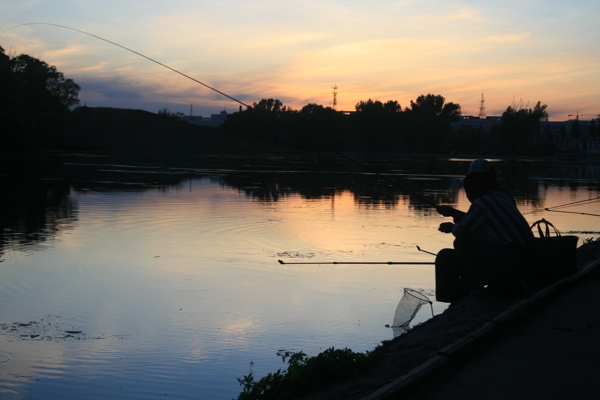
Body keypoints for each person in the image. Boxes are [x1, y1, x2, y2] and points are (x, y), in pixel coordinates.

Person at [435, 172, 534, 303]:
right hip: (528, 258)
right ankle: (475, 290)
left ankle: (490, 285)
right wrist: (454, 214)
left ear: (471, 190)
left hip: (512, 260)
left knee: (462, 243)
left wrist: (451, 227)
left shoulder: (481, 204)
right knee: (453, 251)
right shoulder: (501, 197)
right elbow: (479, 223)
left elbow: (461, 231)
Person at [437, 159, 515, 223]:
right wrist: (454, 213)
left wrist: (452, 226)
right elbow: (484, 220)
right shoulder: (503, 195)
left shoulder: (485, 201)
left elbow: (465, 229)